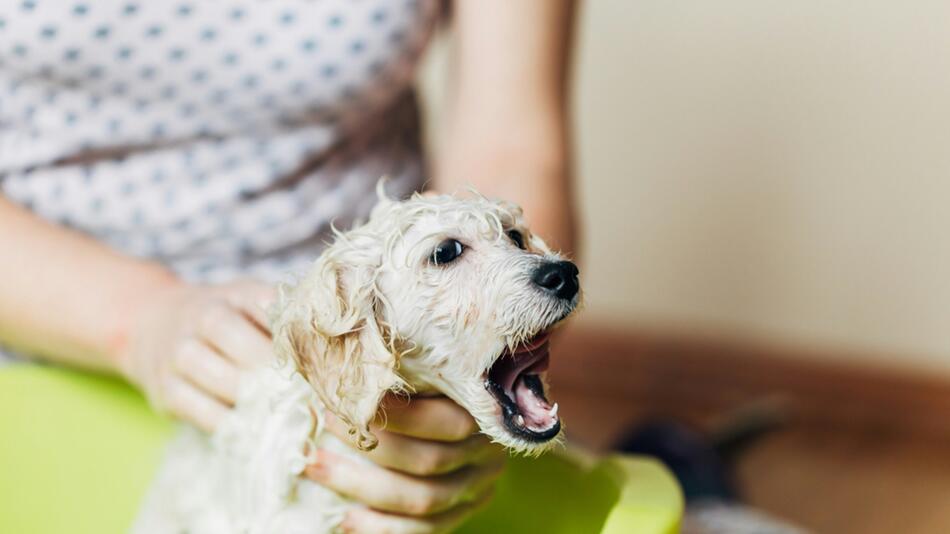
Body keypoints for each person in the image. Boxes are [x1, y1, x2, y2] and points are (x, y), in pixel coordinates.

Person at [0, 1, 577, 532]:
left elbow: (510, 146)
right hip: (40, 332)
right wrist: (139, 317)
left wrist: (472, 376)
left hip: (395, 351)